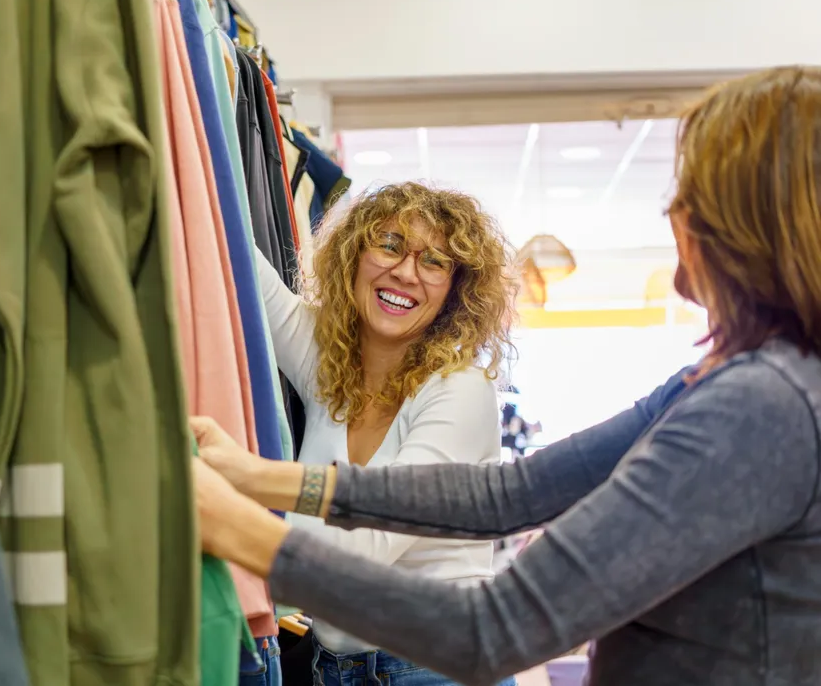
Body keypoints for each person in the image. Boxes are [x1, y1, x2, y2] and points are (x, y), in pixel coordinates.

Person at [194, 65, 821, 686]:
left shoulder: (759, 407)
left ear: (743, 225)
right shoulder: (729, 382)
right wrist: (259, 477)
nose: (672, 209)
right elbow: (508, 495)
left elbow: (491, 632)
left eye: (691, 193)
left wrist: (242, 529)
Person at [234, 181, 518, 686]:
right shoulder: (328, 364)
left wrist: (227, 510)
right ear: (353, 257)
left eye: (434, 262)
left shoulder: (460, 391)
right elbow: (235, 257)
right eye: (389, 245)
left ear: (456, 291)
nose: (406, 272)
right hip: (335, 667)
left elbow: (365, 549)